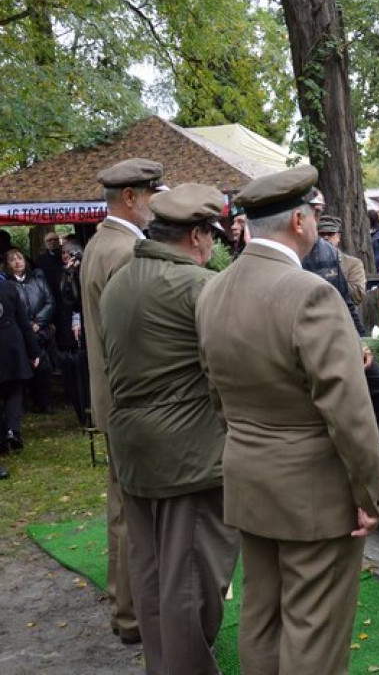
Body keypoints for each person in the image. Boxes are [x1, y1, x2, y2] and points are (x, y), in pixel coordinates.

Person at [195, 165, 379, 674]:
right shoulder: (310, 294)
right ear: (301, 222)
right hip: (312, 491)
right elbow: (347, 408)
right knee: (313, 630)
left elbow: (217, 395)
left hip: (248, 478)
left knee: (261, 618)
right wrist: (371, 494)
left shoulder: (213, 292)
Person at [101, 183, 240, 675]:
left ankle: (163, 667)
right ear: (198, 236)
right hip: (189, 456)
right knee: (192, 580)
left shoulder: (121, 279)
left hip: (135, 450)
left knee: (154, 571)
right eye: (210, 237)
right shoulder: (196, 287)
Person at [81, 157, 167, 646]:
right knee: (137, 515)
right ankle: (135, 614)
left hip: (112, 398)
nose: (156, 202)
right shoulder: (126, 252)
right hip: (134, 402)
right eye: (152, 193)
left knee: (123, 508)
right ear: (132, 197)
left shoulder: (101, 244)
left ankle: (126, 609)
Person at [306, 209, 379, 456]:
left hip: (347, 332)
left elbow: (354, 296)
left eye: (331, 234)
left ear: (339, 237)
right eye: (322, 234)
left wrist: (361, 341)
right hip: (319, 339)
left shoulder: (350, 263)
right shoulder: (306, 260)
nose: (327, 239)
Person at [5, 247, 55, 420]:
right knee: (25, 368)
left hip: (41, 331)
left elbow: (49, 302)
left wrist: (38, 323)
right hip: (21, 333)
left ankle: (45, 402)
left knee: (44, 367)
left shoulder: (38, 280)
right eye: (12, 260)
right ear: (7, 265)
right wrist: (26, 325)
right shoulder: (8, 285)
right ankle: (26, 402)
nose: (17, 262)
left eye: (19, 258)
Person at [0, 277, 40, 479]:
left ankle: (3, 438)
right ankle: (13, 430)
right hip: (11, 345)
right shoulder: (8, 287)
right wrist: (34, 351)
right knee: (14, 391)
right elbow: (24, 322)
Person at [55, 240, 89, 427]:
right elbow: (70, 300)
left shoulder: (88, 268)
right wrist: (69, 274)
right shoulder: (68, 273)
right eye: (63, 253)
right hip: (80, 325)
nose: (65, 256)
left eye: (69, 253)